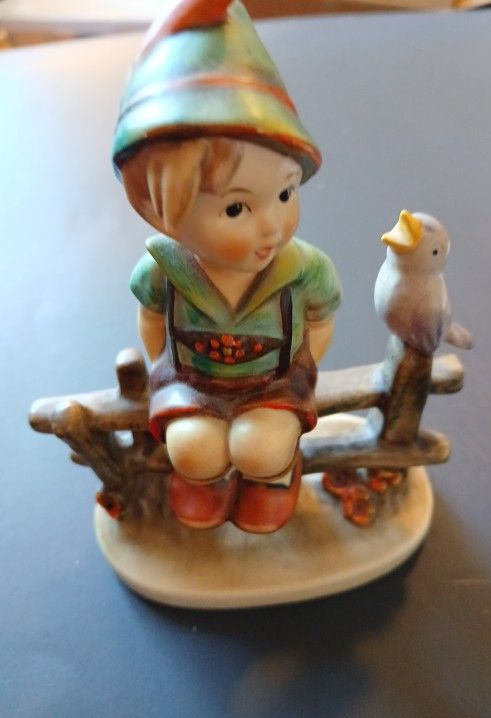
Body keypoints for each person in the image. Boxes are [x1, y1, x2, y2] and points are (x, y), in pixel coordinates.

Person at [112, 0, 342, 533]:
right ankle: (205, 480)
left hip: (273, 385)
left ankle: (273, 477)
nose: (272, 226)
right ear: (161, 210)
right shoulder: (163, 270)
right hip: (193, 383)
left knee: (261, 447)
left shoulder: (303, 268)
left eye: (285, 194)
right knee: (193, 449)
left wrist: (301, 367)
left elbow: (321, 319)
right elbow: (152, 321)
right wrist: (166, 365)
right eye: (236, 208)